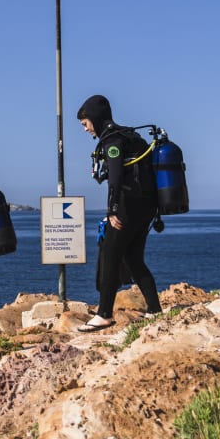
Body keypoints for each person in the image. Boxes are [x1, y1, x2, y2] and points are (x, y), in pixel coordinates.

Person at [76, 95, 162, 332]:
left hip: (127, 206)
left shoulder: (112, 140)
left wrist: (112, 210)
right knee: (134, 259)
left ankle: (104, 314)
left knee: (110, 256)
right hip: (147, 207)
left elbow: (115, 177)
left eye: (85, 124)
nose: (85, 129)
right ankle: (155, 311)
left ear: (95, 117)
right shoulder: (131, 136)